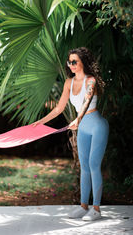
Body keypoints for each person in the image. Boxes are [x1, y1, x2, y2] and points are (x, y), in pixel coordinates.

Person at [32, 47, 109, 221]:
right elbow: (59, 108)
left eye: (75, 61)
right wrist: (41, 121)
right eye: (69, 62)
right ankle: (83, 206)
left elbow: (86, 101)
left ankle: (96, 209)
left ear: (83, 62)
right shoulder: (69, 82)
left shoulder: (91, 80)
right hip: (82, 128)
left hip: (97, 126)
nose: (71, 64)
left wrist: (78, 118)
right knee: (84, 167)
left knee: (94, 165)